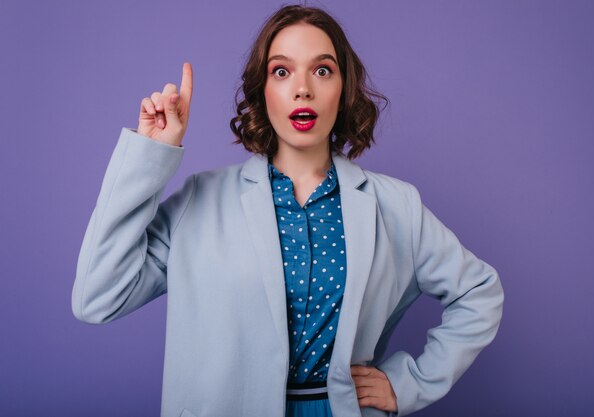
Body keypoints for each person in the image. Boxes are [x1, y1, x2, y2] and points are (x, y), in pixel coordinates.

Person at [72, 5, 504, 417]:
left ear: (343, 88)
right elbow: (98, 296)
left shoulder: (395, 206)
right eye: (282, 71)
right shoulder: (199, 201)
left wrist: (407, 382)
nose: (303, 88)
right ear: (263, 89)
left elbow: (478, 292)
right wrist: (151, 154)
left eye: (322, 70)